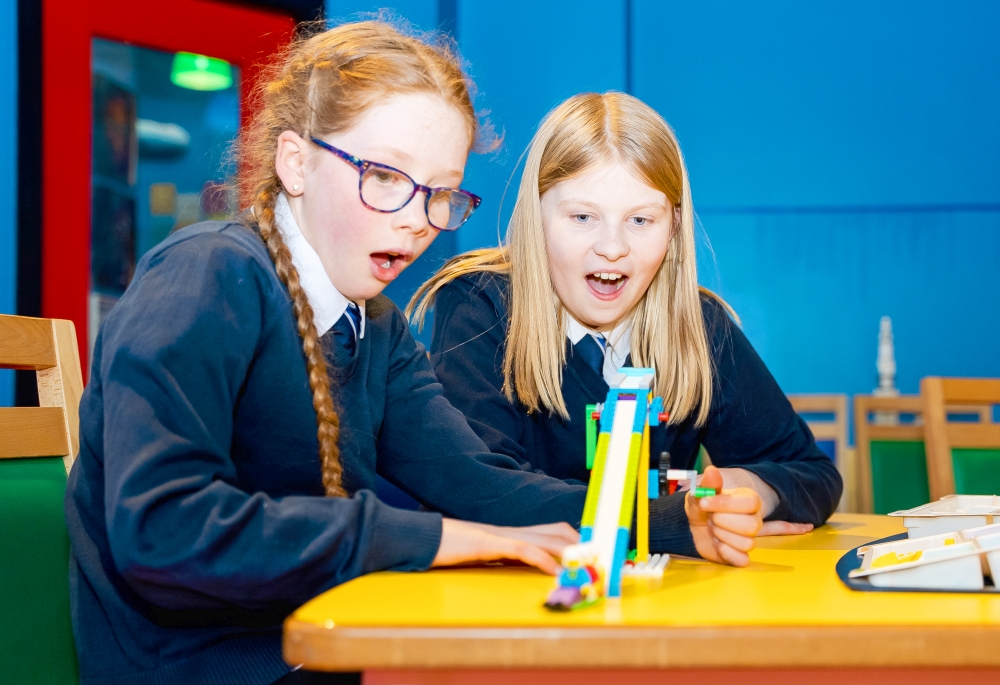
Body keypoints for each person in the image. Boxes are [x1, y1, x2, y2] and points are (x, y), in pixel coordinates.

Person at [65, 20, 590, 685]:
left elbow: (476, 483)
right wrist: (437, 539)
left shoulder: (376, 324)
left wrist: (666, 522)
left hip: (323, 646)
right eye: (385, 175)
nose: (416, 218)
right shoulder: (206, 276)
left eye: (440, 194)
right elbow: (164, 529)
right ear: (295, 162)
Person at [412, 91, 842, 567]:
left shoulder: (698, 327)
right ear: (537, 218)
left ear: (674, 225)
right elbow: (479, 492)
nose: (612, 247)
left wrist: (745, 494)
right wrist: (673, 522)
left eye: (641, 220)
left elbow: (813, 473)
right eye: (582, 217)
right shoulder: (479, 305)